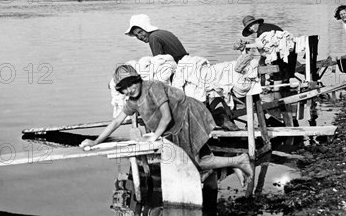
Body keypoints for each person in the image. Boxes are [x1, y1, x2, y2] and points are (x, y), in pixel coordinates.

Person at [79, 65, 253, 185]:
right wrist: (96, 142)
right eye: (124, 88)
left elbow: (167, 116)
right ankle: (236, 163)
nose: (130, 89)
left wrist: (154, 136)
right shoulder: (133, 101)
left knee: (196, 163)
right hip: (174, 127)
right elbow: (117, 121)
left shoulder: (152, 87)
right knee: (201, 159)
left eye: (132, 83)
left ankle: (237, 161)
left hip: (187, 116)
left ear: (138, 79)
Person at [241, 15, 297, 82]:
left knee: (281, 76)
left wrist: (247, 46)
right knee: (283, 76)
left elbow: (262, 47)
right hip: (287, 50)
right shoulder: (263, 28)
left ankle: (280, 89)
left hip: (286, 51)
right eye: (248, 28)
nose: (250, 29)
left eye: (251, 26)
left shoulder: (262, 31)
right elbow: (264, 48)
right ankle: (283, 88)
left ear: (256, 23)